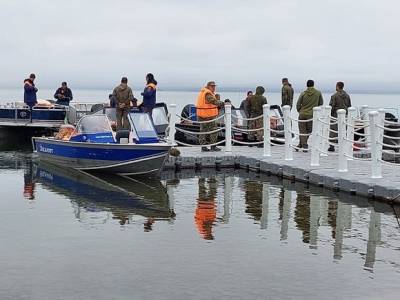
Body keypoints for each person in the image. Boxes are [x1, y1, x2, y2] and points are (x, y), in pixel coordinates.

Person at [195, 81, 224, 152]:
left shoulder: (203, 92)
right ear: (208, 86)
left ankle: (203, 147)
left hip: (202, 115)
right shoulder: (207, 93)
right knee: (214, 130)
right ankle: (213, 147)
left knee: (203, 131)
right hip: (207, 116)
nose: (214, 88)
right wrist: (224, 103)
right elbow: (213, 101)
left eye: (214, 86)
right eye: (212, 86)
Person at [296, 80, 323, 150]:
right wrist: (314, 105)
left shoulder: (303, 93)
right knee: (309, 130)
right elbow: (321, 103)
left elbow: (298, 104)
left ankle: (300, 144)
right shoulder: (318, 93)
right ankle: (304, 145)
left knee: (302, 130)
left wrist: (300, 111)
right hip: (312, 114)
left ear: (307, 85)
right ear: (313, 85)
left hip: (302, 114)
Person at [328, 82, 352, 152]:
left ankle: (332, 146)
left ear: (338, 86)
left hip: (335, 115)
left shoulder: (334, 96)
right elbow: (349, 106)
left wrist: (330, 115)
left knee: (333, 131)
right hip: (344, 115)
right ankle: (343, 144)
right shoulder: (347, 96)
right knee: (343, 130)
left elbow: (332, 106)